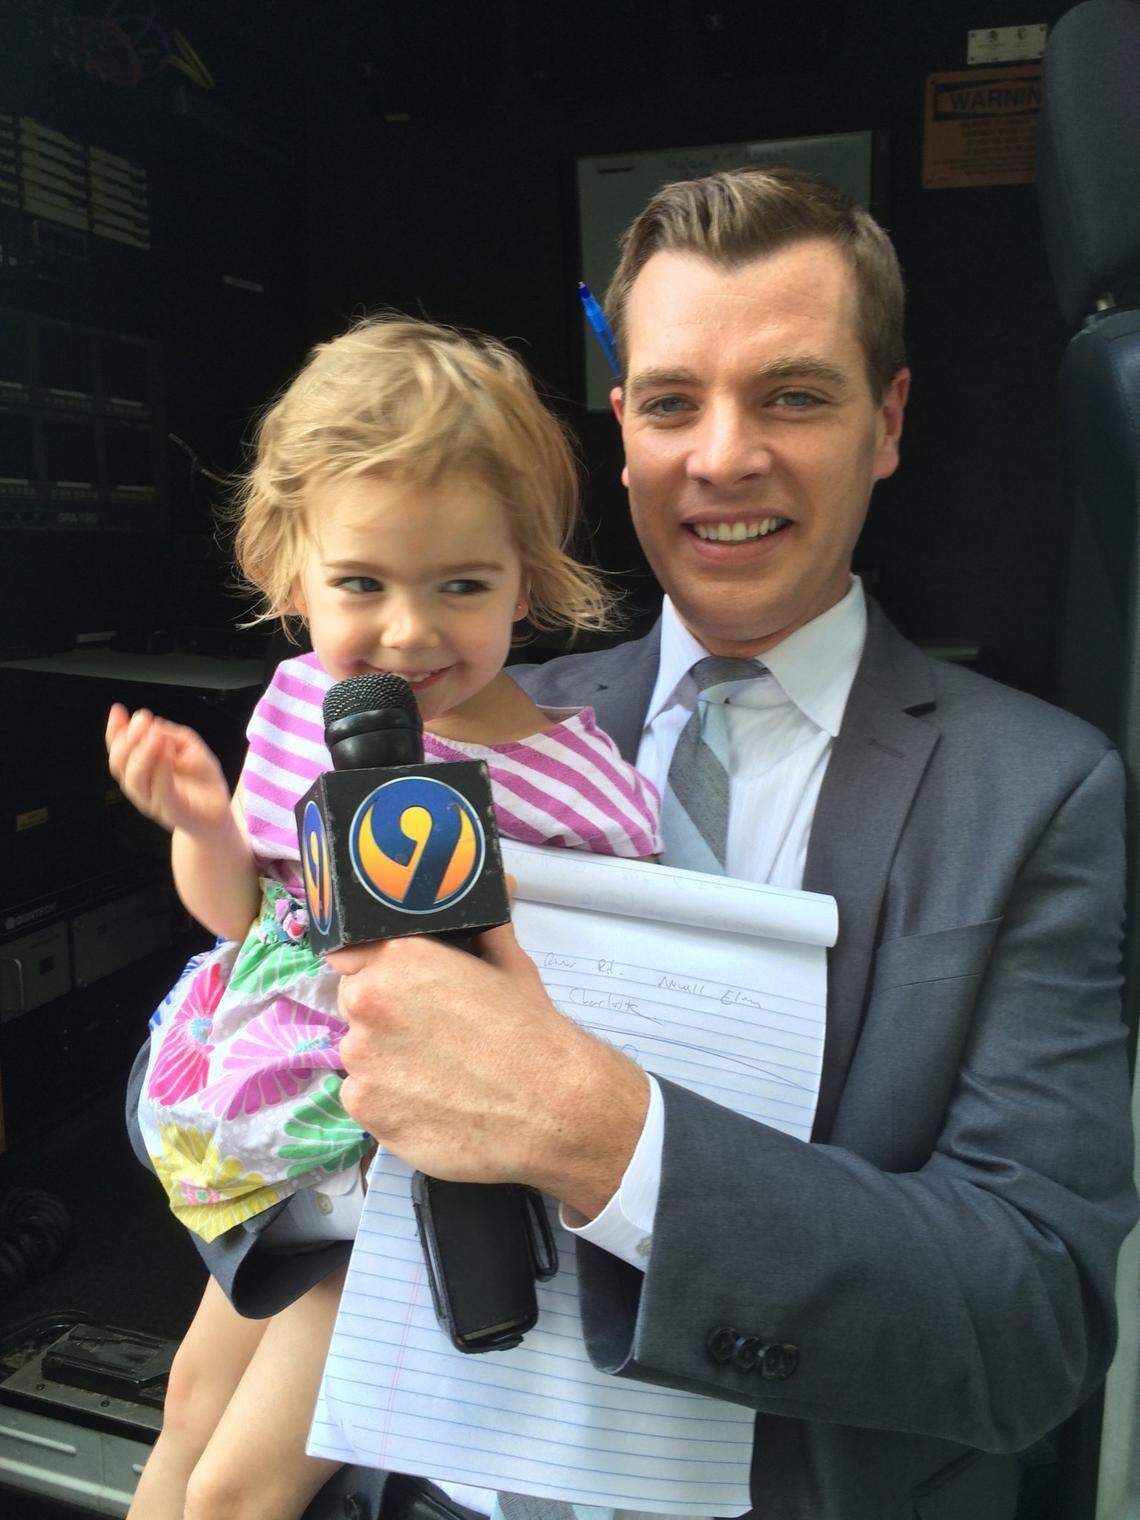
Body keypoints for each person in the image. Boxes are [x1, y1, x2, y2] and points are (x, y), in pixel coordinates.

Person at [320, 167, 1137, 1520]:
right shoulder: (475, 726)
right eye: (671, 402)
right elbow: (265, 1057)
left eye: (794, 395)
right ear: (623, 433)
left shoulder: (1037, 793)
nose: (722, 456)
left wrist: (603, 1136)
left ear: (887, 423)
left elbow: (1032, 1324)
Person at [108, 315, 661, 1520]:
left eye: (461, 585)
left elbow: (602, 996)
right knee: (189, 1403)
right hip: (267, 1133)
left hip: (403, 1175)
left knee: (239, 1490)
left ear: (530, 572)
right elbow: (237, 918)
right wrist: (203, 825)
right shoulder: (303, 703)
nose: (409, 631)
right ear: (291, 568)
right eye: (362, 584)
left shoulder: (584, 787)